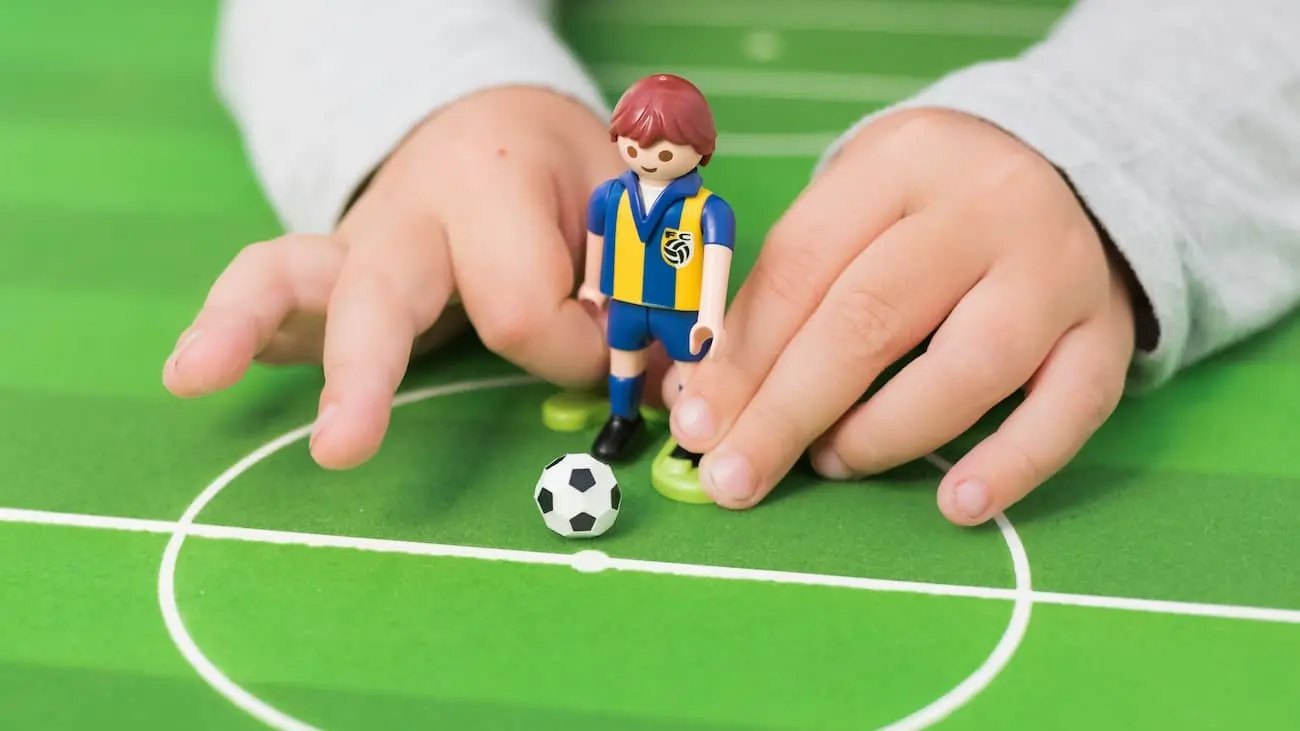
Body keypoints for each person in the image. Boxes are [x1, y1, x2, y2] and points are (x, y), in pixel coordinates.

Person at [163, 0, 1300, 526]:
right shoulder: (616, 198)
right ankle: (621, 414)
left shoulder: (693, 213)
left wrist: (1106, 145)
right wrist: (433, 96)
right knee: (620, 364)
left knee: (654, 350)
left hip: (676, 312)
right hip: (621, 312)